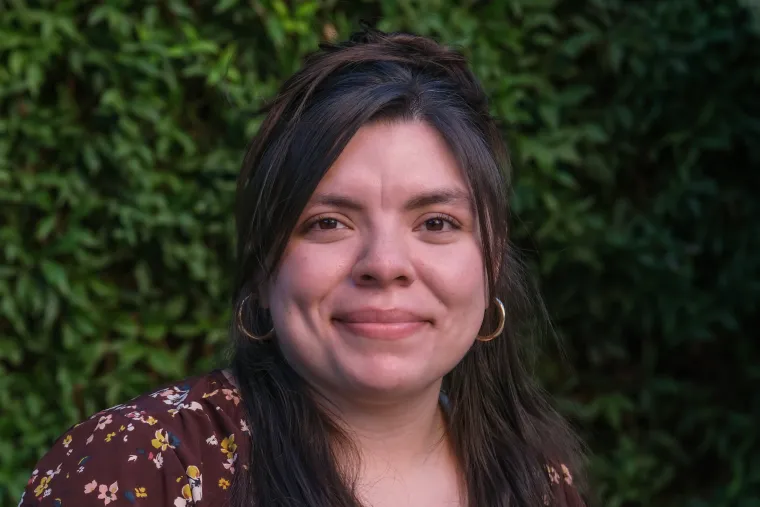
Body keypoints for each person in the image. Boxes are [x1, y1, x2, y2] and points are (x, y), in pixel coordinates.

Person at [19, 27, 586, 507]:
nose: (385, 265)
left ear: (490, 262)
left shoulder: (536, 482)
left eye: (436, 222)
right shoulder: (140, 471)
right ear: (265, 267)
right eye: (328, 223)